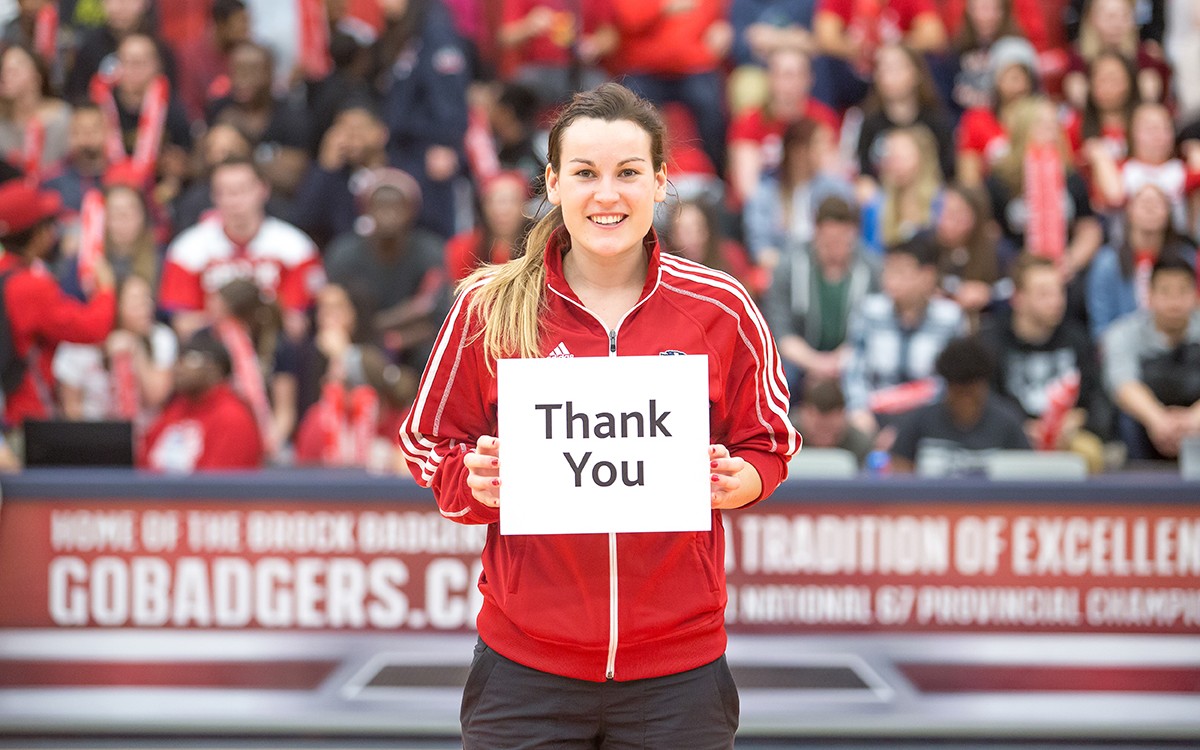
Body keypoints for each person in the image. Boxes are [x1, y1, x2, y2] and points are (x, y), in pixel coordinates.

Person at [397, 83, 798, 748]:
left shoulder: (722, 308)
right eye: (584, 174)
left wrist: (741, 481)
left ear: (662, 183)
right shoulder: (486, 310)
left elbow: (771, 441)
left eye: (629, 173)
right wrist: (472, 482)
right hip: (524, 671)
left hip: (679, 675)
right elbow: (425, 442)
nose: (606, 195)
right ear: (552, 184)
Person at [158, 156, 325, 343]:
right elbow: (183, 325)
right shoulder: (187, 248)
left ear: (263, 189)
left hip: (275, 349)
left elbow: (296, 324)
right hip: (213, 350)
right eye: (226, 192)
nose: (235, 200)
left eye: (242, 190)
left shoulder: (296, 246)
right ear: (214, 196)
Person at [0, 179, 115, 429]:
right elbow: (91, 329)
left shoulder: (11, 274)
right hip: (22, 414)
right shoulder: (29, 286)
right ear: (36, 234)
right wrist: (105, 290)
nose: (54, 232)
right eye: (48, 225)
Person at [980, 253, 1109, 471]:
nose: (1057, 301)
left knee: (1091, 451)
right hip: (1010, 437)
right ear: (1018, 298)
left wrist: (1077, 420)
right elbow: (986, 400)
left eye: (1060, 291)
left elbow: (1098, 399)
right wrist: (1020, 426)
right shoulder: (990, 342)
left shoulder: (1077, 339)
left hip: (1068, 438)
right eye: (1044, 294)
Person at [842, 235, 965, 443]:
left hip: (929, 417)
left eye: (900, 272)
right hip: (875, 415)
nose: (890, 279)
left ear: (927, 276)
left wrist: (909, 427)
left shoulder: (950, 318)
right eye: (888, 270)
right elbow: (854, 370)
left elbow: (950, 382)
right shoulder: (870, 311)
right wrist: (859, 410)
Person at [764, 195, 880, 399]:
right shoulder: (789, 266)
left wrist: (839, 362)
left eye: (841, 241)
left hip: (852, 356)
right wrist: (816, 363)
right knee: (779, 375)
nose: (834, 249)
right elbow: (779, 330)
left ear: (853, 234)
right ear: (816, 233)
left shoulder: (872, 269)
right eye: (827, 241)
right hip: (800, 359)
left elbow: (876, 328)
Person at [1102, 253, 1200, 461]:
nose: (1175, 302)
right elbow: (1122, 384)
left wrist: (1193, 419)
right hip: (1148, 425)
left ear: (1195, 294)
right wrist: (1158, 420)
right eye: (1165, 292)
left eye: (1182, 291)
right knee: (1126, 418)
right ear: (1150, 295)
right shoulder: (1122, 333)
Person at [889, 334, 1030, 475]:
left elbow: (1025, 478)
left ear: (985, 386)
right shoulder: (919, 422)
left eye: (971, 392)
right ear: (947, 387)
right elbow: (900, 478)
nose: (965, 401)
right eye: (958, 392)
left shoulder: (1007, 424)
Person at [138, 330, 264, 472]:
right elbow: (143, 465)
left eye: (190, 359)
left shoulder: (232, 417)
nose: (180, 368)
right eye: (178, 360)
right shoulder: (176, 408)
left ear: (216, 369)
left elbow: (218, 486)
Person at [790, 377, 873, 466]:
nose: (824, 438)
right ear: (804, 414)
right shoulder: (783, 437)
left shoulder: (860, 444)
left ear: (843, 416)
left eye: (830, 430)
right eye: (818, 428)